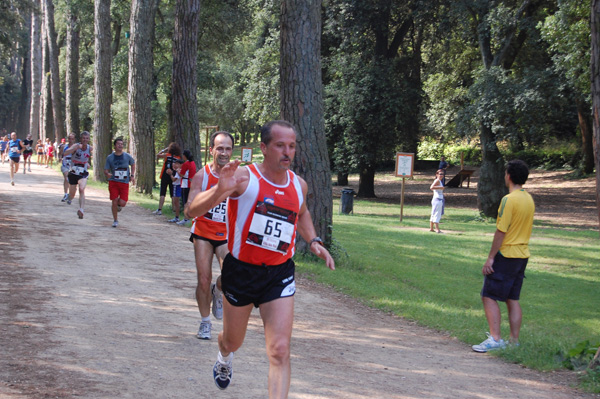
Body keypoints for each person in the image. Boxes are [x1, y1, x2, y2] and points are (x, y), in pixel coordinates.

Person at [188, 121, 335, 395]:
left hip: (278, 274)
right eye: (280, 145)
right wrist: (221, 189)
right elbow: (191, 211)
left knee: (279, 351)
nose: (287, 152)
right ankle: (224, 357)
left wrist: (313, 240)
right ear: (264, 148)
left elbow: (300, 213)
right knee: (233, 341)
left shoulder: (298, 185)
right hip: (241, 271)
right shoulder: (244, 178)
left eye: (291, 146)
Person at [472, 159, 535, 353]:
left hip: (507, 254)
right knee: (512, 298)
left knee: (488, 295)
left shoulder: (509, 200)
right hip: (522, 254)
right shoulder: (528, 199)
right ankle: (514, 341)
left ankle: (495, 338)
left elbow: (501, 231)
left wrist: (491, 257)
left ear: (508, 176)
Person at [184, 131, 234, 340]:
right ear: (211, 150)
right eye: (220, 148)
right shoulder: (201, 176)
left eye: (228, 148)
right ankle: (205, 323)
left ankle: (219, 291)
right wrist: (199, 204)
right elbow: (189, 209)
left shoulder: (238, 175)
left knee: (232, 277)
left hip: (226, 234)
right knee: (203, 279)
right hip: (203, 232)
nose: (224, 152)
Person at [104, 137, 136, 228]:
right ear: (114, 146)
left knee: (123, 202)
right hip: (113, 181)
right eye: (118, 144)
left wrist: (132, 175)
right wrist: (107, 174)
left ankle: (118, 205)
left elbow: (133, 164)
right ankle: (115, 220)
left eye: (121, 144)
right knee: (114, 200)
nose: (120, 146)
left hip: (124, 182)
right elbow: (105, 170)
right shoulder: (110, 157)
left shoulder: (127, 156)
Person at [64, 131, 93, 219]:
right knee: (72, 194)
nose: (85, 140)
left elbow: (89, 157)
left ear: (88, 139)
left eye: (87, 138)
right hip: (73, 172)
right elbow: (65, 153)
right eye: (83, 138)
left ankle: (81, 210)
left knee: (81, 189)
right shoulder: (76, 146)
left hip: (82, 173)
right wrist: (74, 148)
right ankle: (69, 198)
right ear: (80, 139)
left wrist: (88, 164)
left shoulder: (90, 148)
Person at [153, 142, 182, 216]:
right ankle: (174, 210)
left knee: (162, 192)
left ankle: (159, 209)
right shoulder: (178, 158)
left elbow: (158, 155)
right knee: (172, 193)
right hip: (173, 175)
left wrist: (164, 149)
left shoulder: (167, 155)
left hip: (165, 175)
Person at [176, 149, 197, 226]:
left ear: (185, 156)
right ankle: (188, 217)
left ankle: (186, 218)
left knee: (185, 202)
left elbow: (181, 174)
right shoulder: (193, 163)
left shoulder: (186, 164)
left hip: (185, 183)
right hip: (191, 183)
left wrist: (178, 170)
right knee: (189, 201)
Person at [60, 134, 76, 202]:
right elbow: (61, 154)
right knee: (66, 178)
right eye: (69, 138)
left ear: (74, 139)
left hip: (73, 166)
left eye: (72, 139)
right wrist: (60, 158)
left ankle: (70, 195)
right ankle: (66, 194)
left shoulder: (76, 147)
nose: (70, 140)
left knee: (71, 181)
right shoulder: (64, 146)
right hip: (65, 165)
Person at [429, 169, 445, 233]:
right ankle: (437, 229)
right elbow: (431, 187)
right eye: (440, 174)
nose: (441, 175)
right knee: (437, 214)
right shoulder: (437, 180)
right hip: (437, 199)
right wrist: (440, 188)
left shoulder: (439, 181)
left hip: (438, 199)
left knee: (433, 213)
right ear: (437, 174)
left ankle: (431, 228)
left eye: (442, 174)